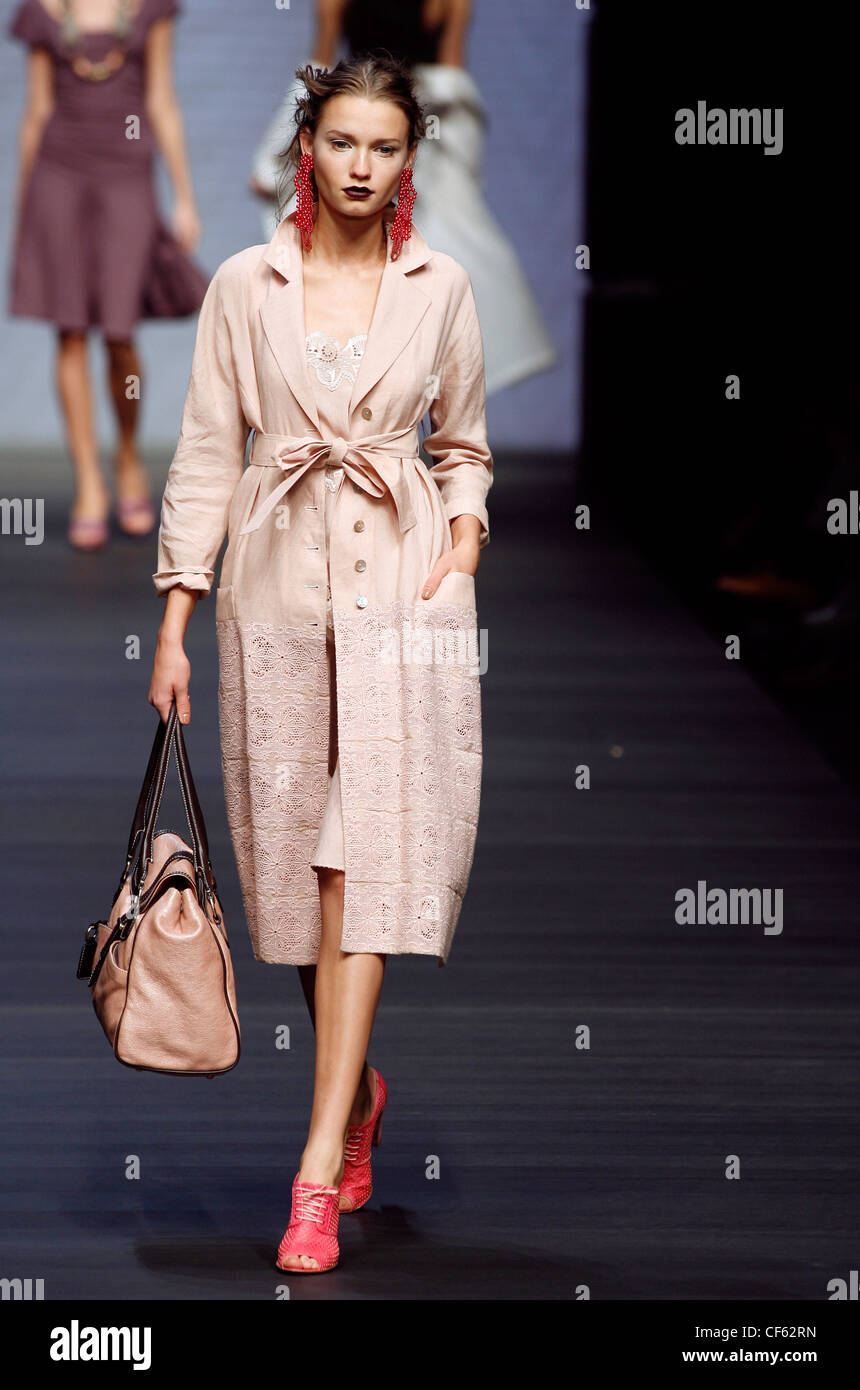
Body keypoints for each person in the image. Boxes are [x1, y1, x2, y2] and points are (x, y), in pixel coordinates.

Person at [149, 53, 492, 1274]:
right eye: (342, 144)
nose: (361, 168)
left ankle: (310, 1174)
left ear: (411, 158)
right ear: (309, 147)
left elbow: (464, 441)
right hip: (274, 596)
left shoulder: (438, 285)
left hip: (400, 600)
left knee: (362, 870)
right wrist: (177, 621)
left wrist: (458, 550)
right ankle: (356, 1098)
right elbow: (205, 449)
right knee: (295, 887)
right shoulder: (248, 282)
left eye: (385, 148)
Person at [249, 0, 557, 395]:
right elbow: (452, 78)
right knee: (426, 285)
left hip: (370, 123)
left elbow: (320, 67)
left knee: (391, 284)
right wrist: (464, 174)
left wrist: (278, 159)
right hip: (417, 132)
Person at [7, 0, 207, 549]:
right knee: (69, 331)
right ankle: (90, 483)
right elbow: (38, 108)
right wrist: (26, 212)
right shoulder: (44, 10)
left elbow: (160, 98)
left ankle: (125, 459)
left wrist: (185, 197)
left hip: (127, 172)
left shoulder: (147, 9)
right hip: (58, 174)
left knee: (119, 332)